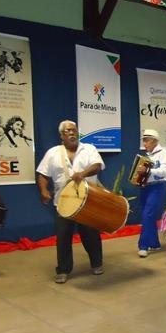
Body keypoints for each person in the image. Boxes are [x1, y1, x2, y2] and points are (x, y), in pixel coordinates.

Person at [36, 120, 105, 284]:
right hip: (63, 203)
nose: (72, 133)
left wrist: (83, 173)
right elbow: (42, 174)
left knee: (91, 235)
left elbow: (97, 166)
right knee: (63, 237)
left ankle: (97, 263)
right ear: (61, 135)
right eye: (67, 131)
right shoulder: (53, 153)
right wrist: (44, 190)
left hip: (87, 202)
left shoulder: (89, 149)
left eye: (74, 130)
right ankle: (63, 270)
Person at [137, 129, 166, 258]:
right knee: (148, 216)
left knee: (147, 215)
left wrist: (149, 171)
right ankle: (154, 243)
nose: (144, 143)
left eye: (146, 140)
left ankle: (143, 246)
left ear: (153, 140)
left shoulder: (164, 153)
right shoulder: (147, 155)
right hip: (145, 187)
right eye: (144, 140)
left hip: (157, 187)